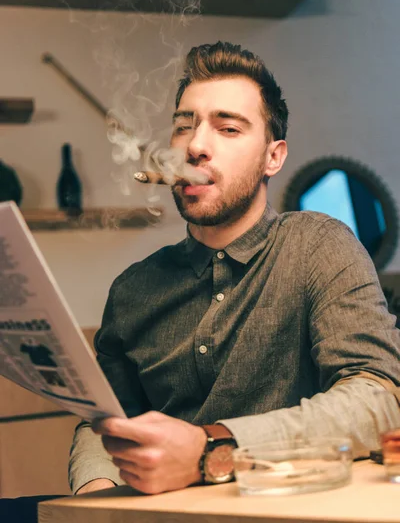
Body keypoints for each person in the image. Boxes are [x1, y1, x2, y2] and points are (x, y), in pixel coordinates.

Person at [69, 41, 400, 496]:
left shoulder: (319, 246)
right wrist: (96, 490)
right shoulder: (132, 289)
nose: (197, 146)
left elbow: (377, 399)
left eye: (227, 129)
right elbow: (104, 421)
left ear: (273, 157)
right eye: (184, 127)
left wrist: (213, 450)